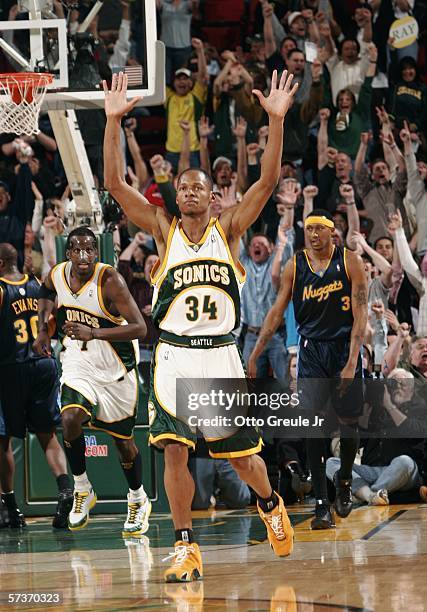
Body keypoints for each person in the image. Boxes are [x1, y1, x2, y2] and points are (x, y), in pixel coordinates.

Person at [103, 70, 298, 582]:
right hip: (172, 354)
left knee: (242, 460)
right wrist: (113, 120)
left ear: (213, 198)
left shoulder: (229, 228)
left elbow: (268, 181)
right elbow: (114, 184)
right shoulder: (162, 230)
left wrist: (275, 122)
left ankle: (270, 502)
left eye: (199, 188)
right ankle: (186, 547)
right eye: (183, 187)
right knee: (173, 449)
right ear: (174, 196)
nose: (190, 192)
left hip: (220, 355)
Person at [249, 209, 368, 529]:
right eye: (309, 229)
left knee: (349, 424)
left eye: (320, 229)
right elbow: (275, 312)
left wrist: (352, 362)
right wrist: (255, 352)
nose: (313, 234)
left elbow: (361, 314)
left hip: (344, 346)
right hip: (311, 349)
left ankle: (344, 478)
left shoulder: (351, 262)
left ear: (333, 233)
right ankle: (320, 502)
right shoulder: (295, 265)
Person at [33, 227, 151, 536]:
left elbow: (140, 328)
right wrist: (43, 329)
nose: (84, 256)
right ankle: (83, 489)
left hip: (116, 368)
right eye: (78, 250)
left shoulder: (110, 280)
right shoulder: (58, 274)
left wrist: (94, 332)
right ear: (68, 253)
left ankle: (137, 497)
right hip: (79, 362)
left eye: (90, 250)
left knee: (124, 444)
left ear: (96, 253)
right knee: (69, 417)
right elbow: (44, 291)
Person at [0, 243, 73, 529]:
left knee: (3, 440)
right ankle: (65, 489)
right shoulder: (35, 285)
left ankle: (10, 508)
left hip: (11, 368)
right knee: (47, 435)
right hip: (43, 365)